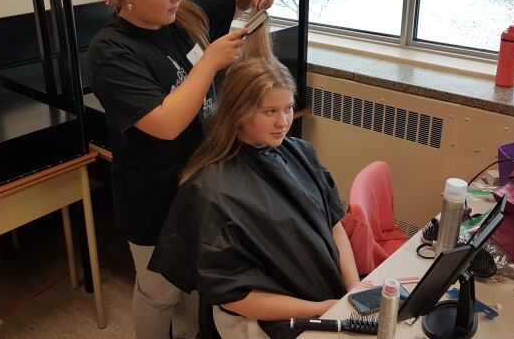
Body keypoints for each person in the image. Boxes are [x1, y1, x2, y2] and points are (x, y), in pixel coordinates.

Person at [88, 0, 274, 339]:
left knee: (197, 280)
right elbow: (165, 123)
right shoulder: (111, 52)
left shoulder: (181, 14)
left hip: (201, 187)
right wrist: (209, 62)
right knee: (158, 294)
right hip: (152, 199)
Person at [149, 56, 360, 339]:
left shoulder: (301, 152)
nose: (283, 122)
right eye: (270, 111)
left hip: (327, 295)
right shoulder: (211, 191)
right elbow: (232, 293)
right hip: (265, 320)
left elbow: (333, 224)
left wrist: (354, 289)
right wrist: (318, 308)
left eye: (288, 108)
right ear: (239, 112)